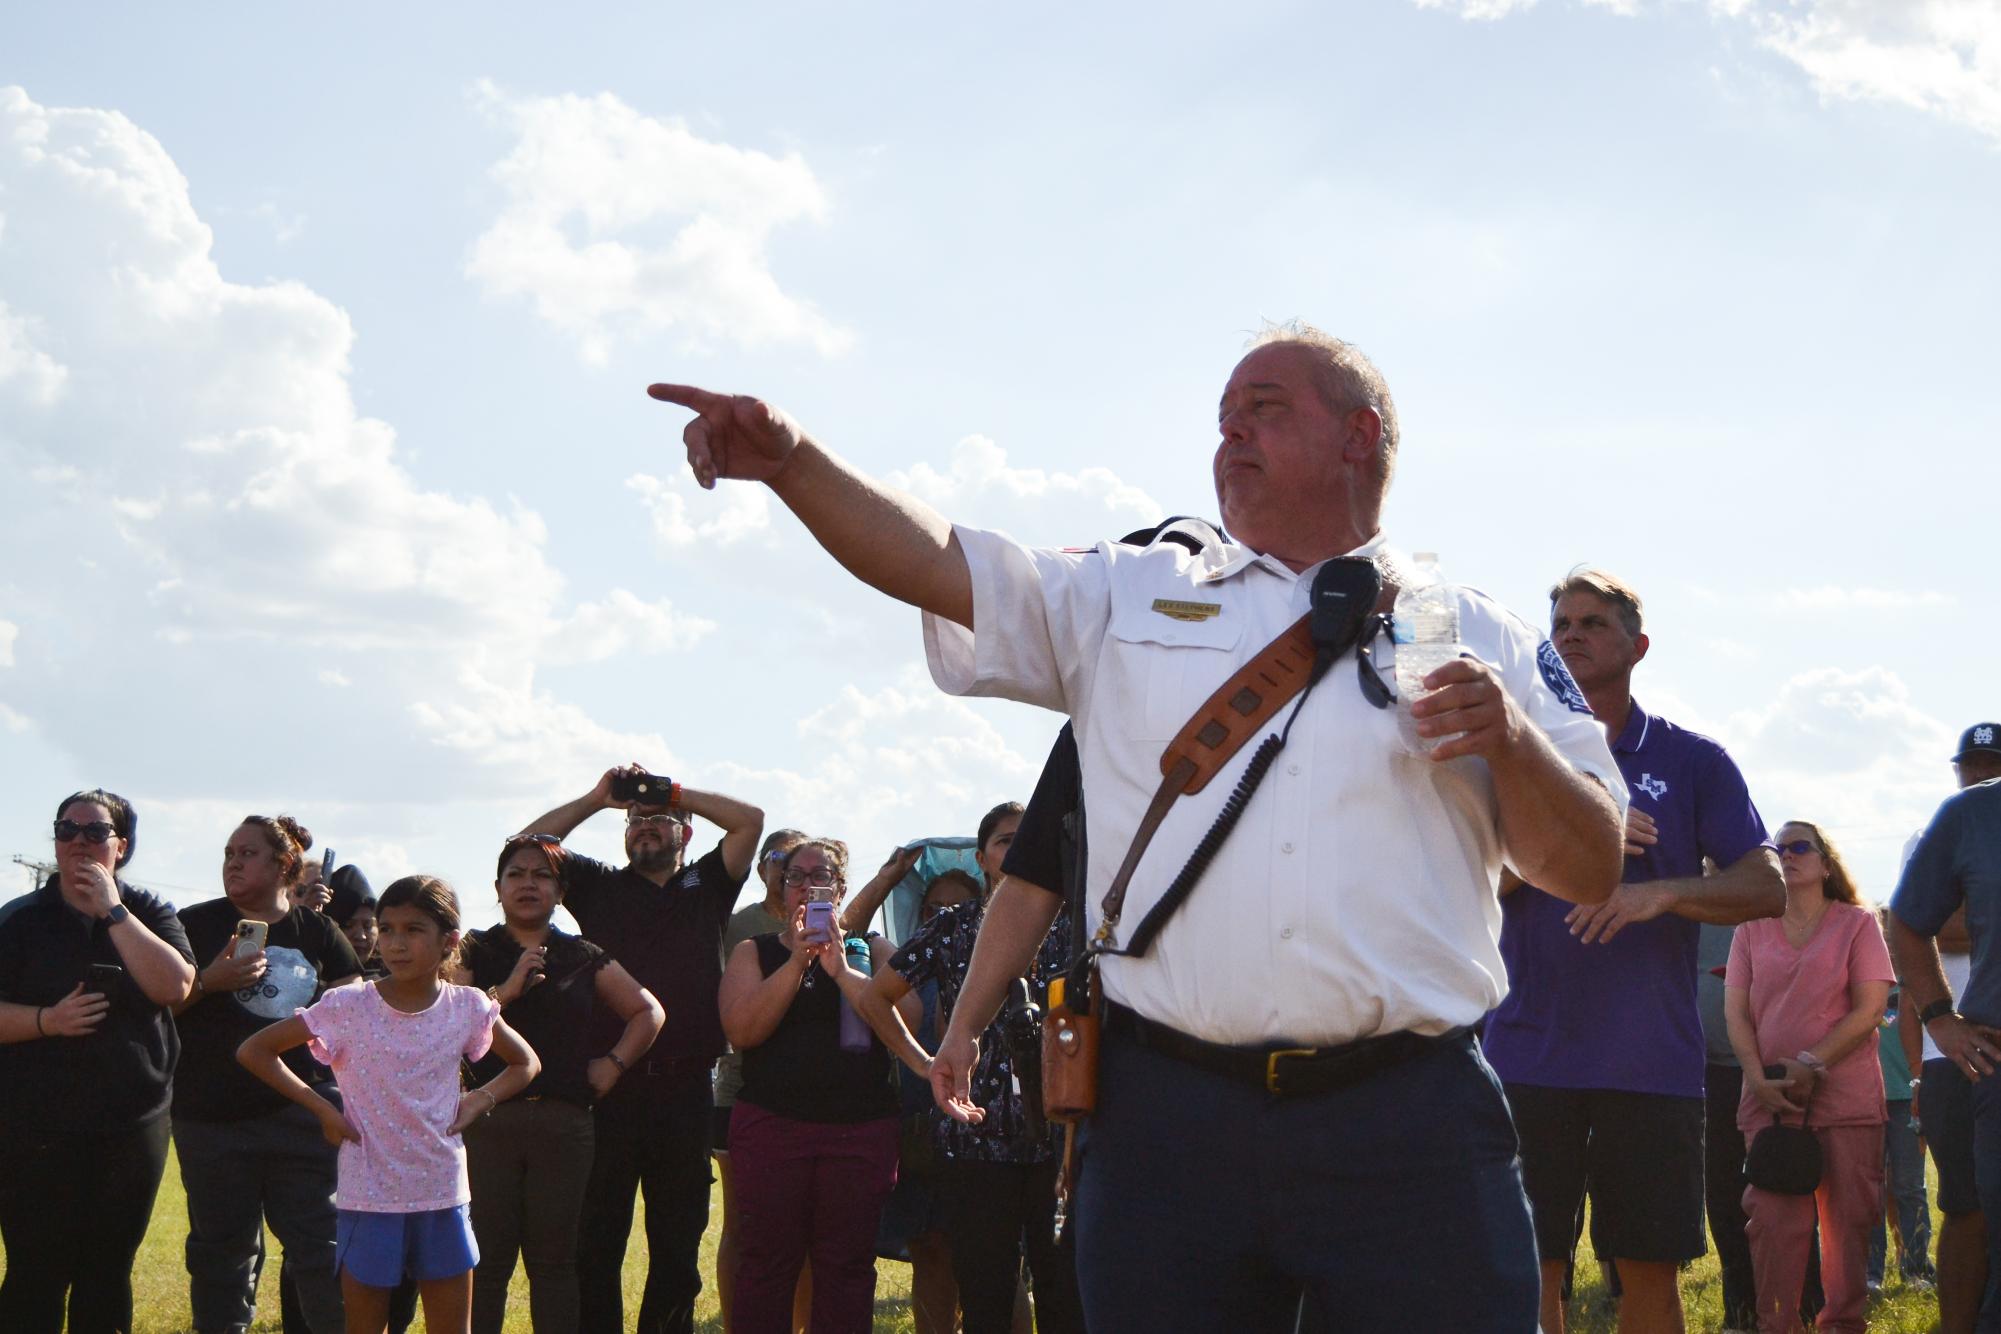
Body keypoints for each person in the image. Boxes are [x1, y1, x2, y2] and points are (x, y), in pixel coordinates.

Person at [647, 322, 1628, 1330]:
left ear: (1358, 434)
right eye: (1222, 417)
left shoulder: (1480, 632)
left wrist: (1511, 740)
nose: (1230, 432)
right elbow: (940, 561)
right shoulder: (1128, 593)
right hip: (1173, 1125)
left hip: (1410, 1123)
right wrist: (796, 463)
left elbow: (1591, 864)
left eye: (1266, 408)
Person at [1481, 567, 1784, 1334]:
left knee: (1649, 1274)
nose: (1572, 635)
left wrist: (1660, 891)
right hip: (1524, 1053)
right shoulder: (1512, 750)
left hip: (1647, 1059)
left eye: (1592, 624)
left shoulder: (1692, 761)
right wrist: (1578, 841)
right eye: (1560, 626)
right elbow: (1464, 887)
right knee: (1527, 1267)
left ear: (1637, 646)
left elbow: (1766, 884)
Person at [518, 766, 763, 1333]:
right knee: (596, 1240)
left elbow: (749, 821)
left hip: (685, 1088)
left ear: (687, 831)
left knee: (677, 1247)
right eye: (635, 821)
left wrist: (672, 793)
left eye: (659, 820)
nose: (644, 828)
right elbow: (527, 847)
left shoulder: (708, 884)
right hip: (609, 1085)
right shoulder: (599, 884)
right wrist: (598, 799)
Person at [238, 875, 540, 1333]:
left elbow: (525, 1063)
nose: (396, 943)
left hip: (442, 1193)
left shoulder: (468, 1006)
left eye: (414, 930)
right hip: (369, 1197)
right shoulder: (347, 1005)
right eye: (387, 928)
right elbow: (255, 1051)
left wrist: (480, 1099)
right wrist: (322, 1109)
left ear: (448, 942)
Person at [867, 801, 1086, 1334]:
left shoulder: (1078, 925)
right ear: (984, 859)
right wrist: (923, 1064)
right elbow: (878, 998)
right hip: (975, 1137)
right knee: (986, 1296)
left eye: (1027, 839)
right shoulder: (955, 927)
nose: (1018, 850)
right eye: (1006, 841)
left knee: (1067, 1299)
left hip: (1064, 1139)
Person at [0, 788, 197, 1332]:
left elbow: (176, 987)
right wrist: (47, 1020)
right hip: (33, 1126)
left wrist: (114, 911)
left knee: (107, 1270)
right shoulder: (19, 920)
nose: (78, 842)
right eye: (66, 830)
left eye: (94, 832)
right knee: (34, 1270)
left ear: (121, 846)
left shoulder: (149, 911)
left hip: (131, 1125)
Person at [456, 833, 666, 1334]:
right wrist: (503, 993)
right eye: (516, 875)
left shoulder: (582, 954)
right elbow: (443, 1026)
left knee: (555, 1264)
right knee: (485, 1261)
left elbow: (648, 1011)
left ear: (560, 888)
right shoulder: (474, 949)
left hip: (564, 1124)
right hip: (486, 1119)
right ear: (498, 887)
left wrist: (612, 1065)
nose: (528, 884)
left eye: (541, 875)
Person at [173, 814, 362, 1334]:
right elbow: (156, 1006)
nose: (232, 862)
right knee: (220, 1256)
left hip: (303, 1116)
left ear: (284, 866)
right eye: (229, 853)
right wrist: (210, 981)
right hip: (211, 1122)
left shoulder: (319, 931)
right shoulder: (193, 924)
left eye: (247, 853)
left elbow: (359, 1014)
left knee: (321, 1250)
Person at [718, 837, 916, 1334]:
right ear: (782, 890)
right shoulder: (755, 951)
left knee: (847, 1266)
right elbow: (742, 1031)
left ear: (842, 887)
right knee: (766, 1263)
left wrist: (842, 971)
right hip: (773, 1127)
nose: (808, 886)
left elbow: (909, 1019)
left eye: (821, 875)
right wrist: (796, 963)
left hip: (860, 1132)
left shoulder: (871, 951)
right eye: (796, 877)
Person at [1888, 721, 2001, 1333]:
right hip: (1973, 1055)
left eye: (1994, 760)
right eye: (1972, 762)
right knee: (1968, 1208)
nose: (1982, 770)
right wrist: (1940, 1021)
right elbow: (1909, 921)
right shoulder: (1966, 818)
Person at [1870, 974, 1935, 1293]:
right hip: (1866, 1097)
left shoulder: (1913, 981)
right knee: (1871, 1188)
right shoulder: (1859, 976)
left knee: (1909, 1185)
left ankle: (1917, 1268)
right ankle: (1870, 1273)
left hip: (1907, 1098)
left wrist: (1919, 1087)